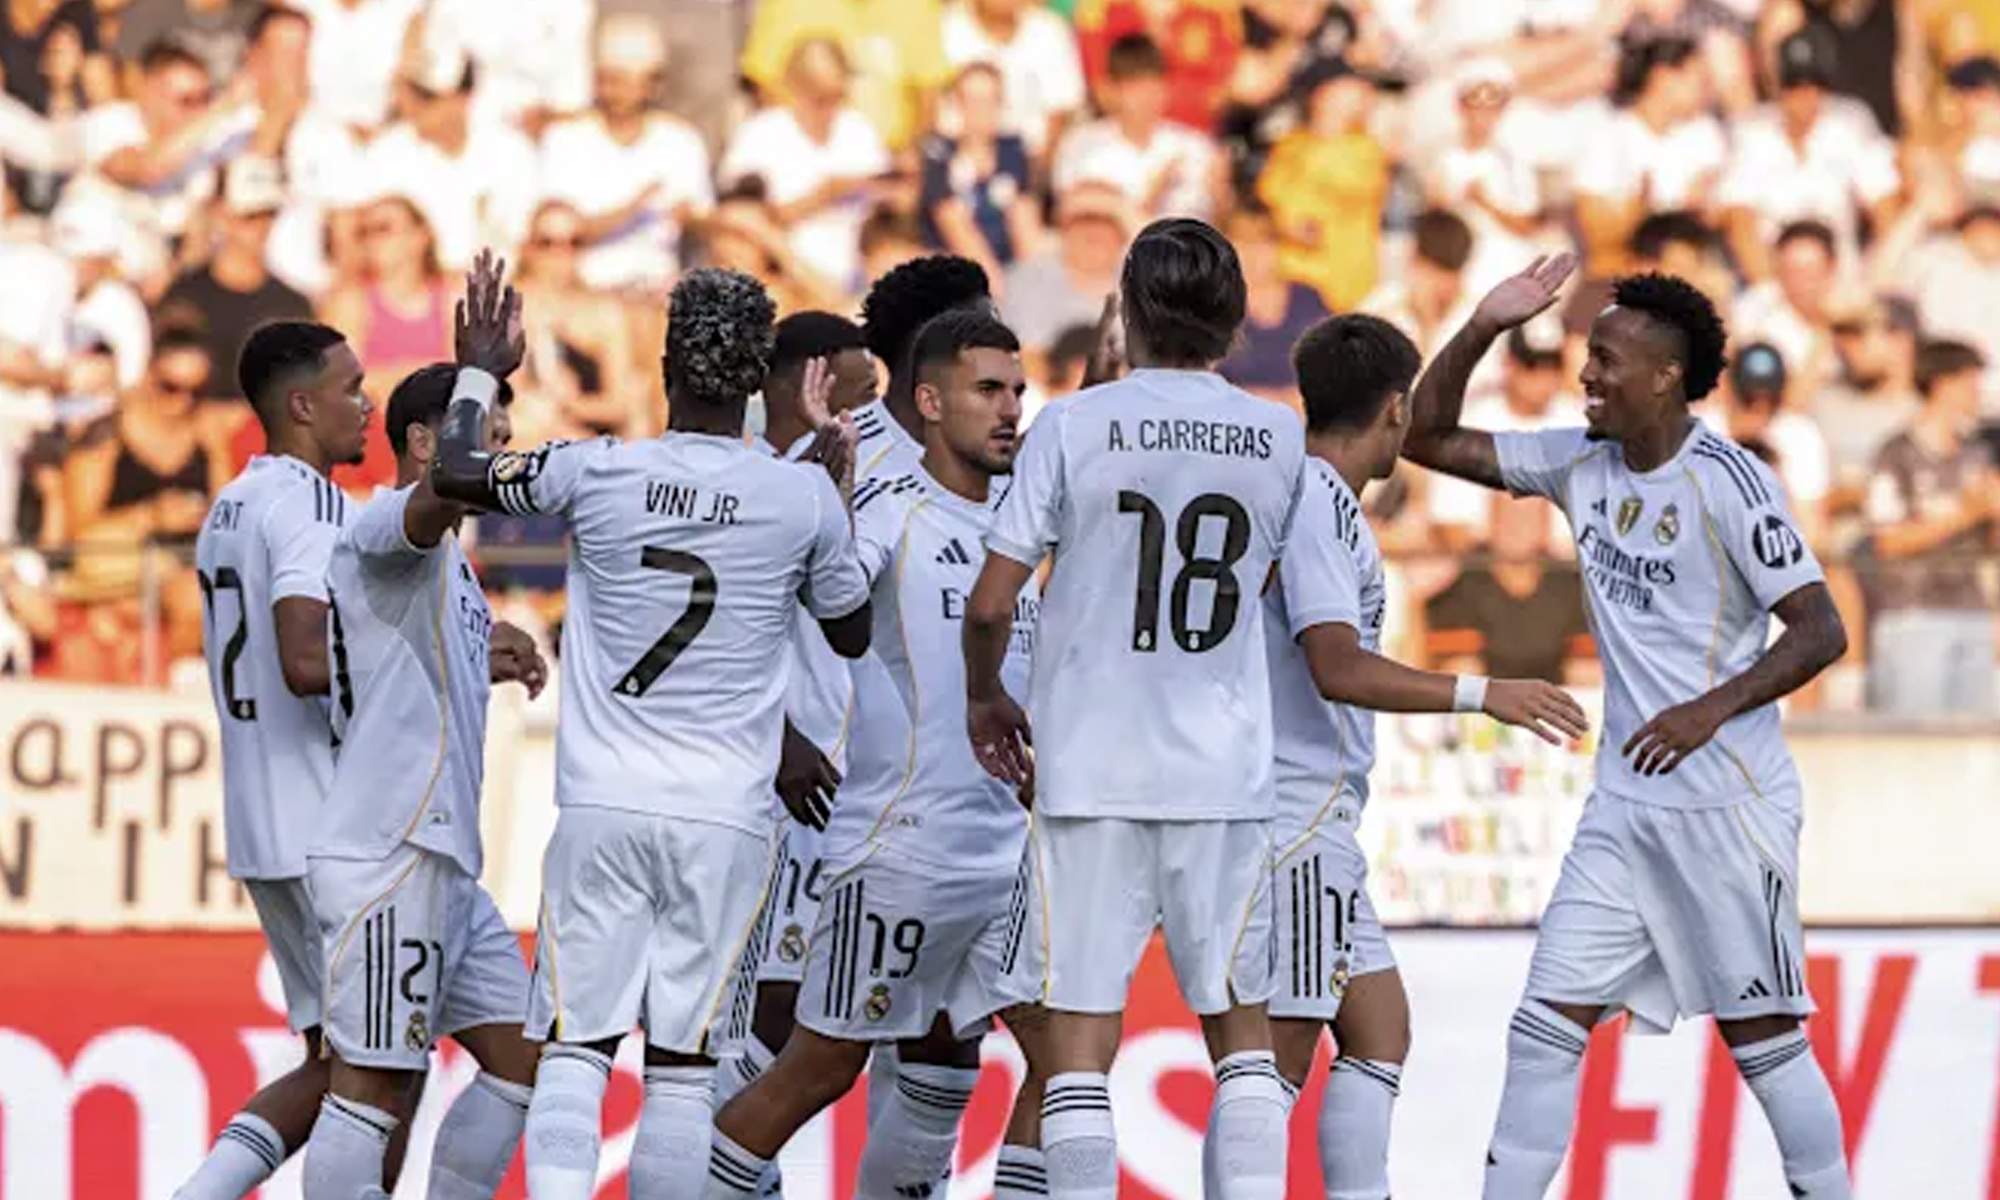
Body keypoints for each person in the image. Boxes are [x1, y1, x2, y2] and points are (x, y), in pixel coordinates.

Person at [1399, 262, 1854, 1199]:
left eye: (1604, 359)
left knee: (1764, 1041)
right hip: (1624, 810)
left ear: (1663, 377)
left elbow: (1821, 628)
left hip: (1728, 809)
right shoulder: (1579, 461)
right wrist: (1484, 321)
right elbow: (1428, 436)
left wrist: (1710, 706)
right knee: (1542, 1027)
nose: (1586, 376)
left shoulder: (1732, 483)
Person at [427, 263, 873, 1200]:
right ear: (757, 381)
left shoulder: (596, 469)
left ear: (666, 366)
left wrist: (477, 370)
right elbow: (852, 628)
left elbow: (460, 473)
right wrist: (826, 499)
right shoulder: (796, 498)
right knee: (683, 1068)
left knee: (576, 1052)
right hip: (725, 817)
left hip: (602, 805)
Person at [959, 217, 1305, 1200]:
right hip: (1223, 770)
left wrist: (987, 697)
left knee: (1075, 1034)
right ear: (1234, 320)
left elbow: (991, 602)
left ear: (1128, 310)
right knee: (1240, 1033)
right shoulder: (1278, 434)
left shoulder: (1074, 425)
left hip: (1089, 766)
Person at [709, 308, 1051, 1200]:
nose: (1010, 409)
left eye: (1018, 391)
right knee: (817, 1070)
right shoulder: (887, 512)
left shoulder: (1025, 526)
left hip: (1006, 854)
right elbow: (824, 606)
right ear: (930, 403)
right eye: (988, 391)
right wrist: (823, 513)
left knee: (1057, 1061)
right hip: (902, 850)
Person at [1267, 310, 1588, 1200]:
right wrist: (1491, 694)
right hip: (1290, 821)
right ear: (1398, 412)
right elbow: (1334, 663)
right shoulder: (1320, 505)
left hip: (1315, 818)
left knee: (1378, 1028)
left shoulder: (1300, 494)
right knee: (1275, 1065)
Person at [298, 343, 548, 1198]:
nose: (500, 448)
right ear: (419, 441)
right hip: (386, 855)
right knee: (371, 1086)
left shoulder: (456, 570)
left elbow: (404, 664)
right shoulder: (380, 523)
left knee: (523, 1062)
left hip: (445, 866)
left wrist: (492, 651)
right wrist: (476, 368)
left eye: (504, 429)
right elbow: (437, 499)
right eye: (483, 427)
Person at [174, 320, 373, 1200]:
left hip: (262, 821)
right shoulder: (315, 506)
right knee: (375, 1068)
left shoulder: (228, 507)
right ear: (302, 405)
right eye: (351, 387)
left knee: (342, 1065)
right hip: (329, 823)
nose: (364, 403)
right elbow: (302, 660)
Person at [706, 313, 876, 1200]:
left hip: (819, 771)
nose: (871, 406)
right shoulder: (745, 475)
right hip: (763, 776)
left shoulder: (830, 472)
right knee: (768, 1013)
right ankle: (711, 1178)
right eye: (862, 386)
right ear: (810, 379)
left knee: (787, 1011)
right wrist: (779, 737)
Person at [1863, 339, 1998, 716]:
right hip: (1913, 615)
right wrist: (1969, 512)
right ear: (1941, 383)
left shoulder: (1977, 455)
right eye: (1970, 383)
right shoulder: (1896, 454)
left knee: (1976, 753)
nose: (1977, 394)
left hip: (1972, 611)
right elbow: (1887, 541)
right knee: (1913, 747)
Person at [536, 14, 714, 296]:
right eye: (609, 80)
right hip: (584, 290)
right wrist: (635, 206)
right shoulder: (564, 140)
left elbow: (704, 220)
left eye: (627, 82)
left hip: (659, 289)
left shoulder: (682, 141)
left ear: (652, 85)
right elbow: (561, 232)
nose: (616, 92)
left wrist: (689, 218)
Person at [718, 38, 892, 296]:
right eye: (821, 98)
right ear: (796, 89)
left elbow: (887, 204)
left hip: (859, 264)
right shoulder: (760, 135)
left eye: (837, 96)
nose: (830, 108)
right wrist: (821, 197)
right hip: (784, 270)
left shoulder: (859, 131)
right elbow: (740, 217)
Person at [320, 196, 455, 490]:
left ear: (420, 237)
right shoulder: (353, 301)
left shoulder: (449, 298)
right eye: (364, 232)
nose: (371, 240)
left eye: (382, 229)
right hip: (379, 433)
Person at [159, 159, 314, 405]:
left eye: (270, 214)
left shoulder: (294, 306)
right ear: (220, 214)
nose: (262, 226)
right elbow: (168, 389)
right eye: (250, 216)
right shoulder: (184, 296)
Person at [1258, 61, 1390, 312]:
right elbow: (1269, 203)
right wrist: (1289, 223)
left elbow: (1352, 183)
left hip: (1347, 293)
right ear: (1323, 94)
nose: (1363, 93)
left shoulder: (1366, 149)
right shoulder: (1288, 146)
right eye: (1350, 86)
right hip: (1295, 286)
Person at [509, 201, 644, 444]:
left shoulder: (603, 312)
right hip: (527, 429)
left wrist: (570, 405)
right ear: (528, 247)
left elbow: (619, 403)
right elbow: (507, 392)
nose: (561, 253)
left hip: (583, 432)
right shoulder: (510, 306)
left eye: (574, 242)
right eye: (547, 242)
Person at [1425, 491, 1592, 683]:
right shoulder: (1463, 582)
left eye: (1527, 517)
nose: (1517, 526)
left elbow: (1585, 669)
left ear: (1544, 524)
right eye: (1508, 515)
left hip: (1558, 702)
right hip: (1485, 703)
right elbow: (1458, 669)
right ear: (1491, 521)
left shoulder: (1570, 585)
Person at [1050, 33, 1218, 221]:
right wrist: (1150, 197)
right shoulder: (1082, 146)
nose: (1147, 99)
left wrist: (1223, 197)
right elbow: (1071, 217)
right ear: (1112, 91)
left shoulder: (1195, 146)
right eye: (1136, 89)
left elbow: (1216, 221)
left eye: (1154, 87)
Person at [920, 63, 1042, 281]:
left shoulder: (1013, 148)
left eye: (990, 101)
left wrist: (1030, 282)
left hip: (1009, 266)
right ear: (957, 104)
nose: (981, 110)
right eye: (972, 101)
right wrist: (993, 287)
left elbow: (1024, 220)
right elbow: (955, 226)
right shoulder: (938, 153)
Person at [941, 0, 1087, 160]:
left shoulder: (1049, 28)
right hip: (953, 159)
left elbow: (1061, 110)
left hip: (1033, 159)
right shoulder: (946, 25)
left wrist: (1038, 170)